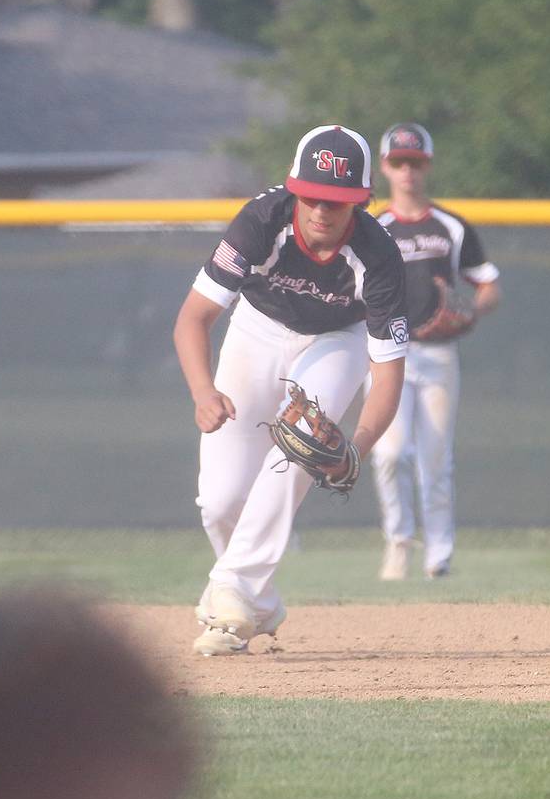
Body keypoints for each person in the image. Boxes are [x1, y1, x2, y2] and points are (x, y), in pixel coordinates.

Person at [173, 125, 409, 657]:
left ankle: (231, 593)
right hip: (257, 328)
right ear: (294, 189)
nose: (323, 211)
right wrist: (202, 391)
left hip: (337, 340)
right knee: (219, 500)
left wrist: (355, 449)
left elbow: (388, 374)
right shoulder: (262, 222)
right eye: (314, 197)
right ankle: (260, 602)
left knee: (302, 445)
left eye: (339, 201)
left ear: (363, 202)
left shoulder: (379, 256)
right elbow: (193, 318)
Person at [370, 122, 502, 581]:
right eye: (400, 162)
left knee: (435, 459)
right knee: (389, 453)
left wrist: (471, 311)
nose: (408, 171)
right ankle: (399, 541)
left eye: (416, 162)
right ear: (385, 166)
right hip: (389, 355)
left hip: (439, 353)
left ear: (427, 166)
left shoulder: (450, 226)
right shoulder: (374, 226)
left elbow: (488, 286)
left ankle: (439, 555)